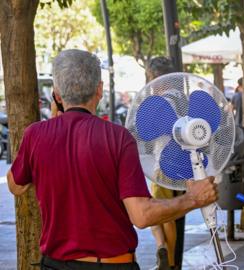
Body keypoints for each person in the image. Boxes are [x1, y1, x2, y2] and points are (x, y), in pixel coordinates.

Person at [7, 49, 218, 270]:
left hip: (54, 264)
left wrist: (49, 128)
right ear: (99, 90)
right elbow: (141, 215)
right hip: (110, 264)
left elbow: (16, 186)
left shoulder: (35, 135)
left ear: (57, 95)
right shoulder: (117, 138)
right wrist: (192, 199)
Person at [144, 56, 187, 270]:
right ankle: (167, 254)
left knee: (164, 212)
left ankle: (169, 261)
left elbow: (150, 131)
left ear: (157, 80)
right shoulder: (183, 98)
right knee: (172, 211)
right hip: (183, 161)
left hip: (165, 161)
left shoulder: (162, 101)